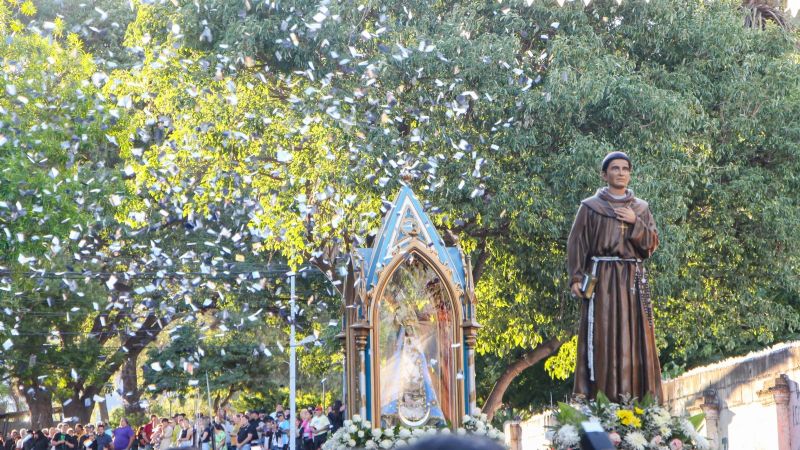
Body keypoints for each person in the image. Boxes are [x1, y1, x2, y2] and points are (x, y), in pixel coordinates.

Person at [568, 151, 663, 403]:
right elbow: (577, 243)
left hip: (633, 279)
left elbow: (651, 244)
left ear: (630, 174)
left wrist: (635, 223)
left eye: (625, 169)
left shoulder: (640, 208)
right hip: (604, 280)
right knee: (603, 337)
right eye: (615, 168)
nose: (621, 173)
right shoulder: (590, 207)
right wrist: (576, 277)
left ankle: (638, 402)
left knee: (637, 338)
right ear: (604, 174)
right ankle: (601, 401)